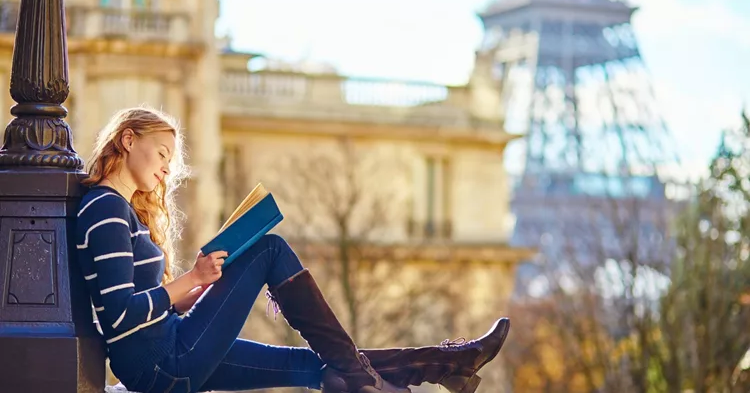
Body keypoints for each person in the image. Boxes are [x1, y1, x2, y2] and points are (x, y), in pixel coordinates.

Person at [75, 107, 510, 393]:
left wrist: (200, 289)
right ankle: (415, 369)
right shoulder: (106, 209)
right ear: (128, 140)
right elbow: (119, 316)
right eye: (162, 153)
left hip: (167, 350)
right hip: (159, 362)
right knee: (268, 249)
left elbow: (142, 308)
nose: (167, 168)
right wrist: (194, 278)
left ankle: (450, 363)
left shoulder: (119, 211)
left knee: (322, 368)